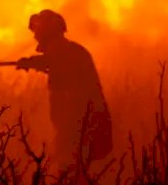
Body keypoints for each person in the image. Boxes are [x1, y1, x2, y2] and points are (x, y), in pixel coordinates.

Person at [16, 9, 112, 166]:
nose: (34, 37)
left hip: (79, 125)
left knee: (69, 166)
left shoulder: (64, 51)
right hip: (84, 123)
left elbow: (54, 61)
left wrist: (31, 62)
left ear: (46, 32)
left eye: (37, 32)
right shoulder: (73, 51)